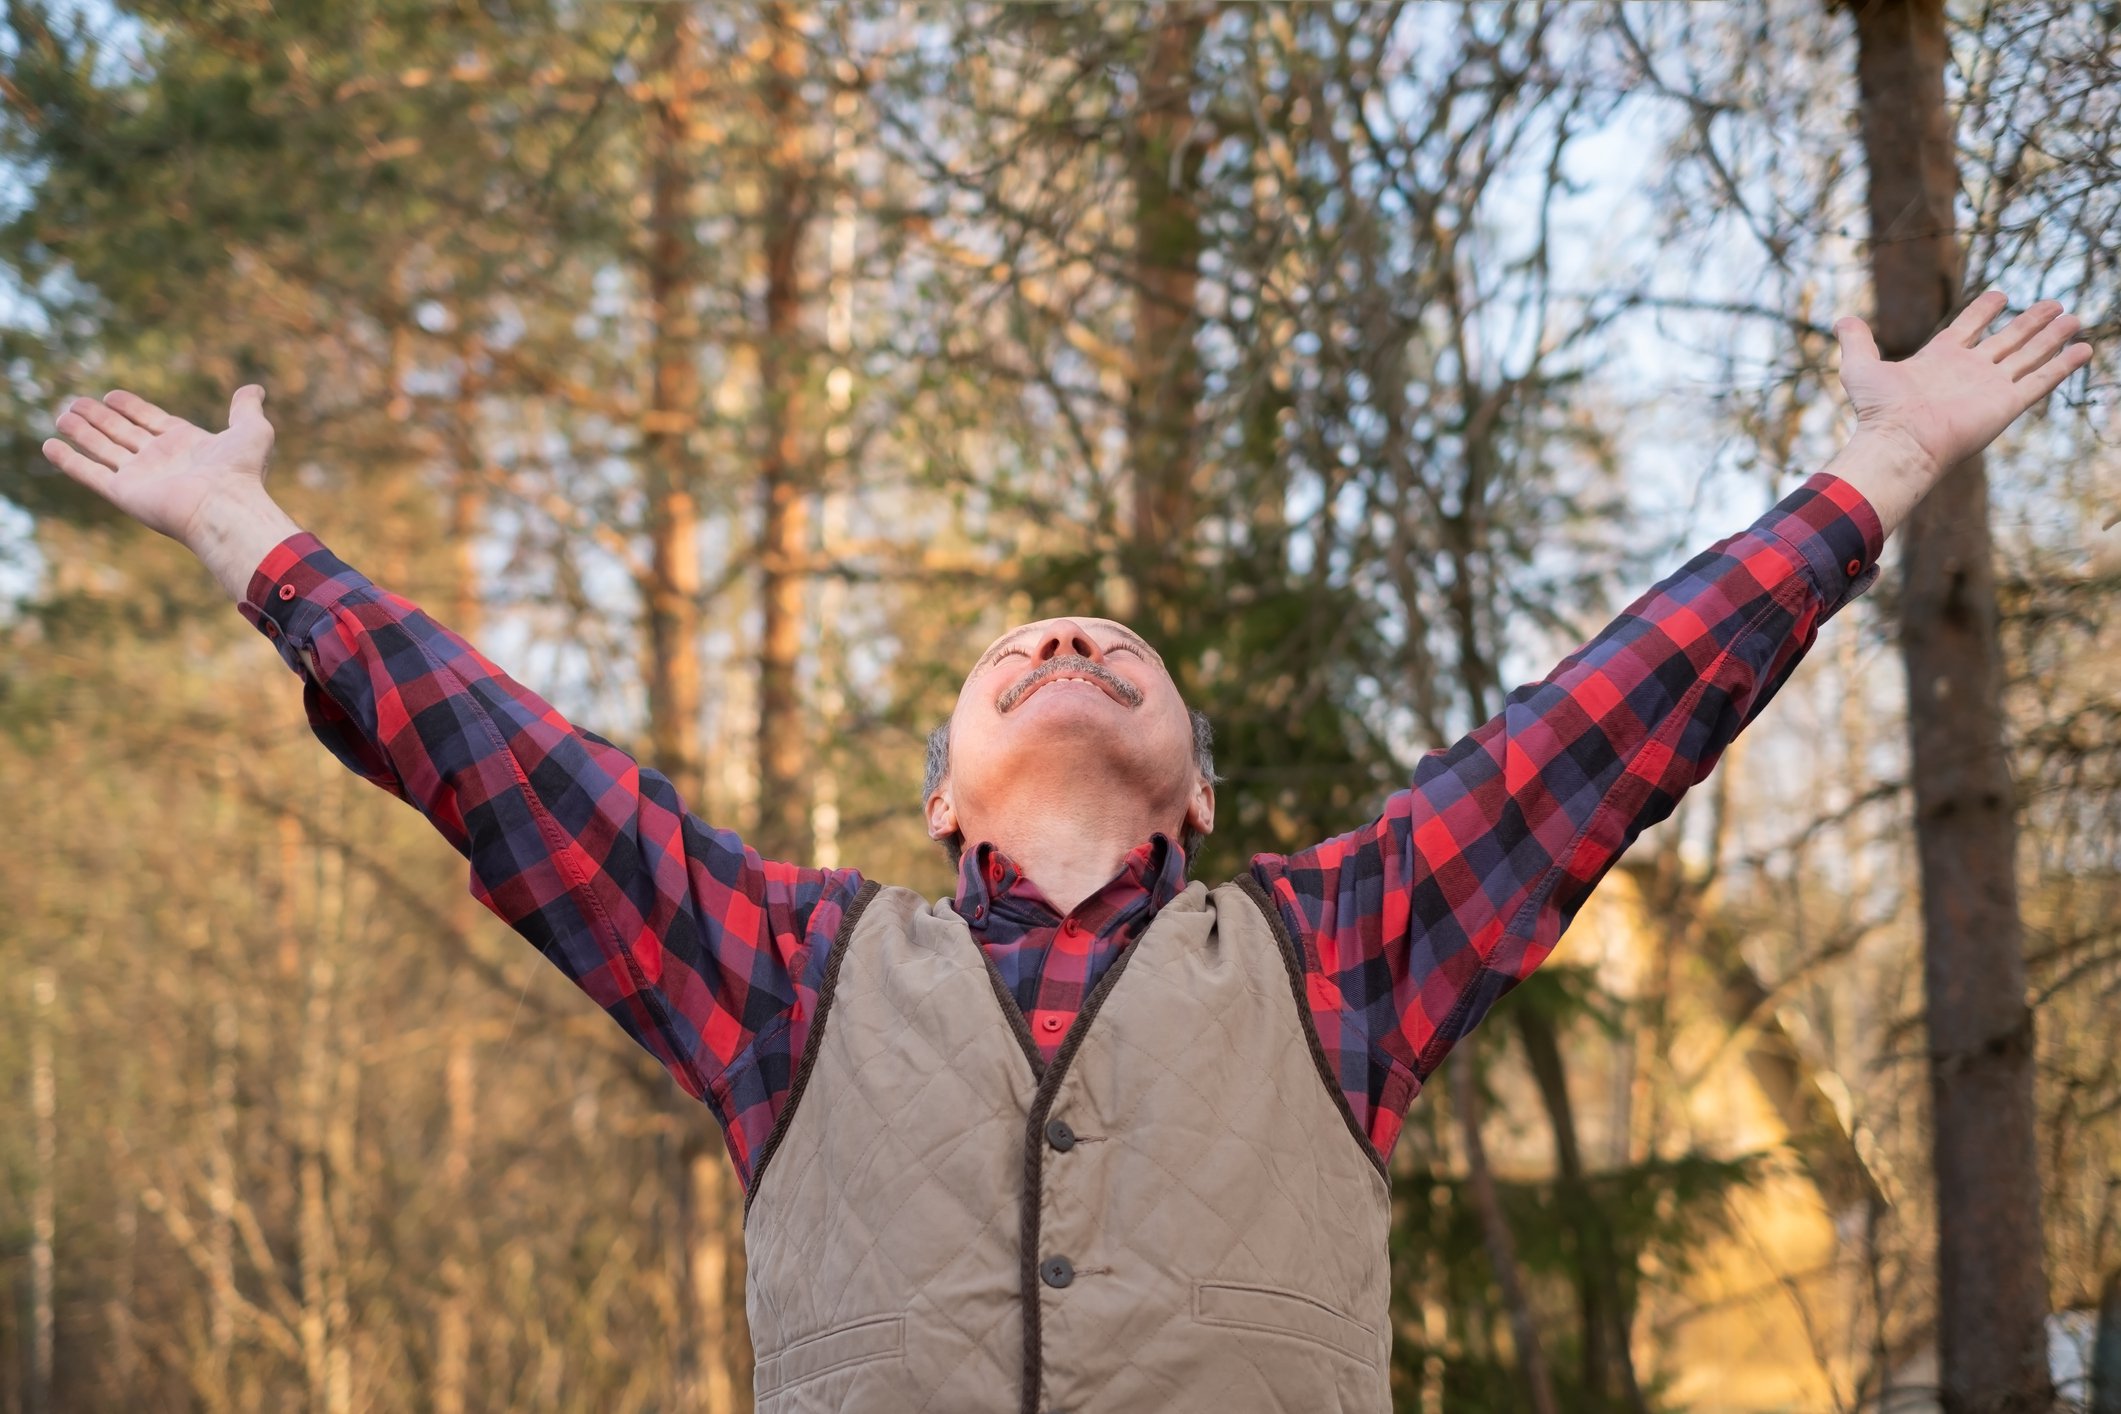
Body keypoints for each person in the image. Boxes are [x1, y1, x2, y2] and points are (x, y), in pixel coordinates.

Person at [43, 292, 2090, 1412]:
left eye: (1119, 648)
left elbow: (1604, 724)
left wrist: (1885, 462)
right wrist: (249, 537)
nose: (1066, 637)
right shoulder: (786, 970)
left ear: (1197, 790)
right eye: (1012, 650)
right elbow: (504, 768)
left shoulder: (1334, 953)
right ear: (939, 798)